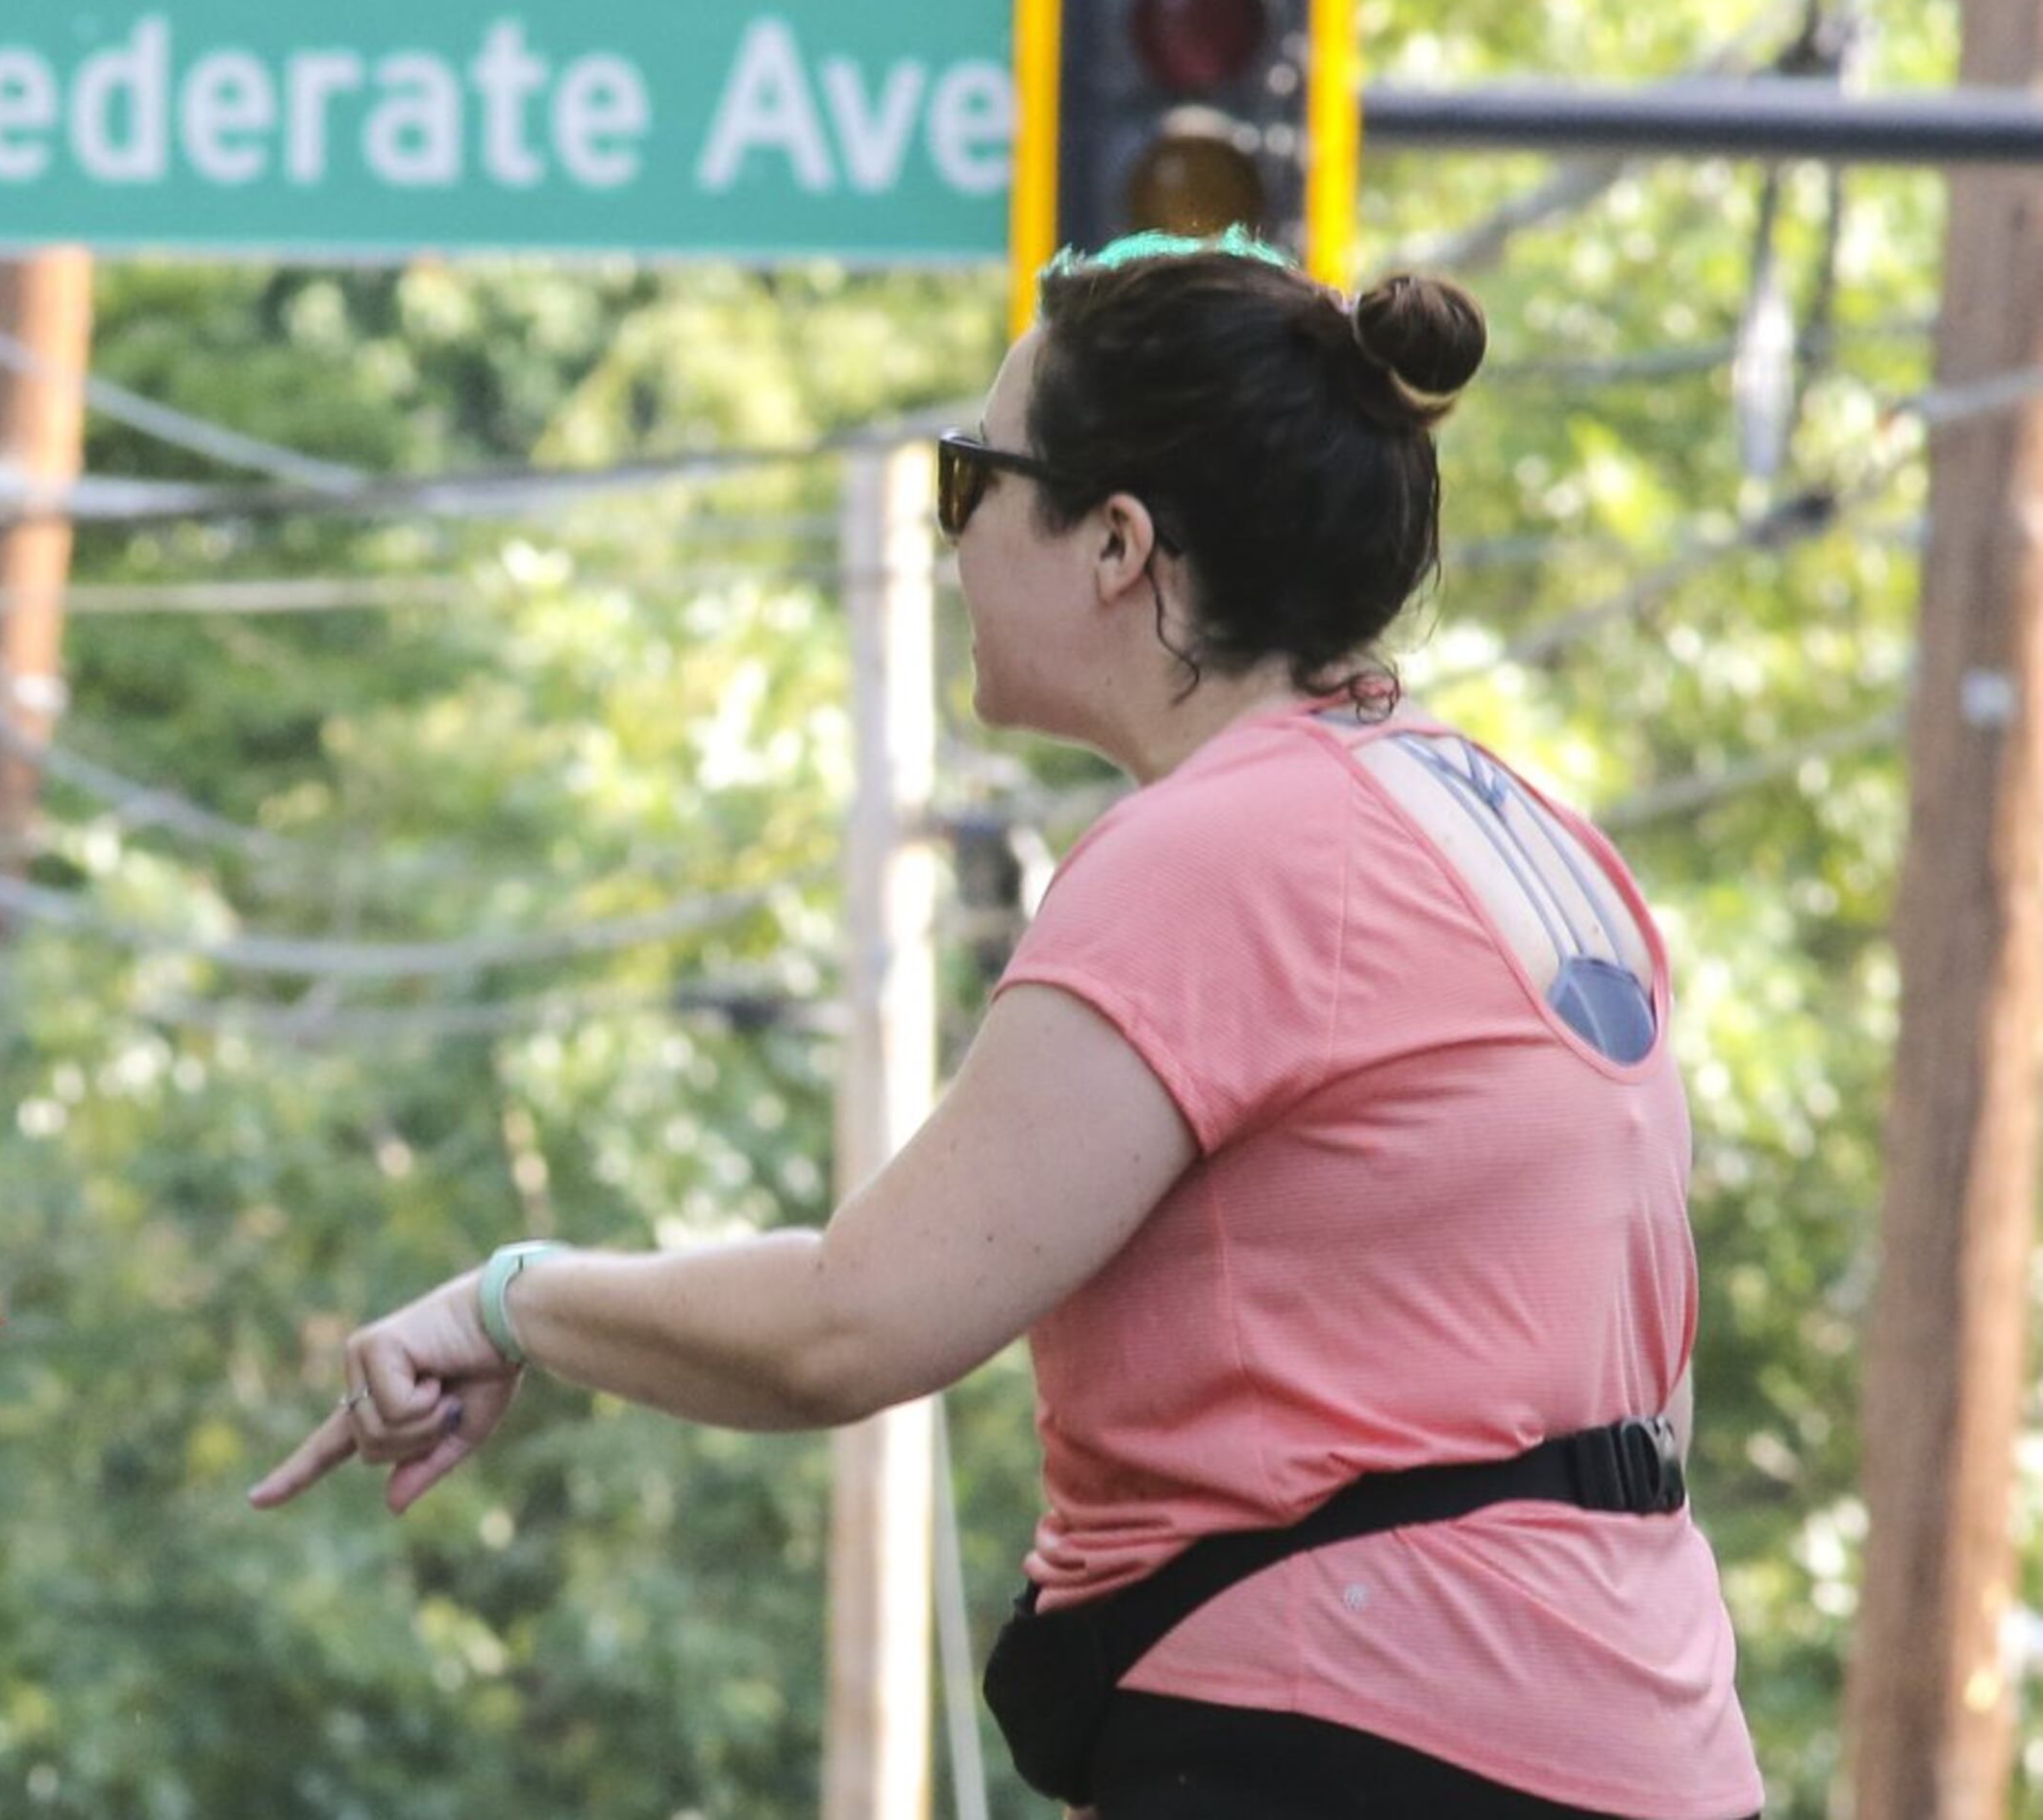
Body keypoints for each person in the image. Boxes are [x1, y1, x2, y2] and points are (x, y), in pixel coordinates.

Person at [251, 234, 1762, 1819]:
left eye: (974, 478)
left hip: (1355, 1727)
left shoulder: (1228, 853)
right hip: (1642, 1733)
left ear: (1117, 544)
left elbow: (853, 1321)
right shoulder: (1517, 825)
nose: (947, 530)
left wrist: (511, 1304)